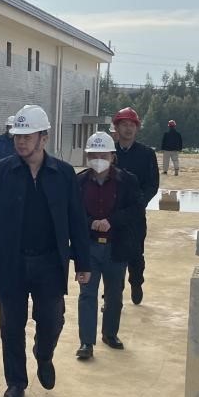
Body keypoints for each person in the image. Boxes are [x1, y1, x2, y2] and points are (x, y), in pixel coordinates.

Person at [0, 105, 91, 397]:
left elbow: (76, 219)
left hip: (49, 262)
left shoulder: (63, 174)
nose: (21, 141)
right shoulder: (0, 172)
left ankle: (44, 354)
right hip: (10, 261)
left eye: (28, 136)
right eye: (17, 136)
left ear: (44, 138)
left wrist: (83, 261)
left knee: (52, 320)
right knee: (11, 326)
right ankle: (16, 382)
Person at [75, 132, 144, 360]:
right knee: (87, 294)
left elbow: (136, 210)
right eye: (93, 155)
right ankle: (86, 342)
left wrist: (111, 221)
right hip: (89, 247)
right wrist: (90, 222)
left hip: (116, 247)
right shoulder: (79, 182)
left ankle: (110, 333)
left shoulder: (127, 181)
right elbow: (72, 213)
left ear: (112, 156)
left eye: (102, 155)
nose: (98, 159)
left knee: (114, 294)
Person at [111, 107, 159, 305]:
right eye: (124, 124)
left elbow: (152, 184)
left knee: (135, 253)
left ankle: (136, 282)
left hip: (135, 215)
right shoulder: (109, 153)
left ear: (137, 128)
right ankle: (113, 292)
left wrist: (140, 203)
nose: (128, 128)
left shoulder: (146, 154)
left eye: (132, 125)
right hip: (112, 213)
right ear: (117, 128)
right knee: (112, 254)